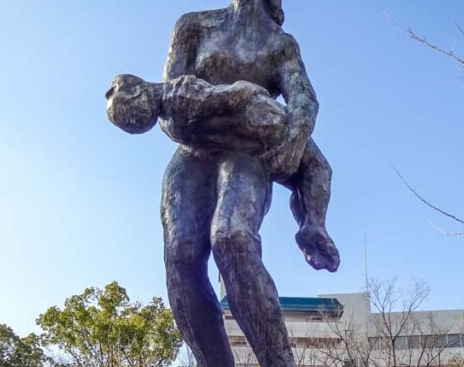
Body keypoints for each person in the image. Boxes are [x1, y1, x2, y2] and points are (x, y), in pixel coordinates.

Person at [108, 0, 337, 367]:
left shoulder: (280, 44)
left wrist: (290, 146)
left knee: (232, 236)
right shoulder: (194, 26)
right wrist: (203, 104)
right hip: (193, 150)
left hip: (247, 152)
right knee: (182, 254)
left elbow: (304, 102)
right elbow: (170, 103)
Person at [105, 72, 338, 272]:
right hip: (260, 130)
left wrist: (289, 138)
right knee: (316, 170)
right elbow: (242, 93)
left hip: (262, 127)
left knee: (314, 172)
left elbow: (244, 94)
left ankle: (313, 226)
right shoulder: (178, 101)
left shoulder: (178, 101)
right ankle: (313, 226)